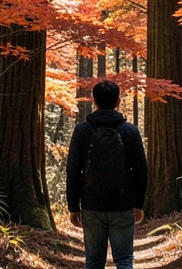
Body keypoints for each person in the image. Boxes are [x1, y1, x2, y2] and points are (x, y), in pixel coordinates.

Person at [66, 79, 148, 269]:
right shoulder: (130, 131)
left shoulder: (82, 131)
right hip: (123, 204)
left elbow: (72, 170)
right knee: (124, 260)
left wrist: (73, 206)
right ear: (118, 101)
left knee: (94, 262)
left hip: (91, 204)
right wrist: (138, 204)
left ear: (94, 101)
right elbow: (141, 169)